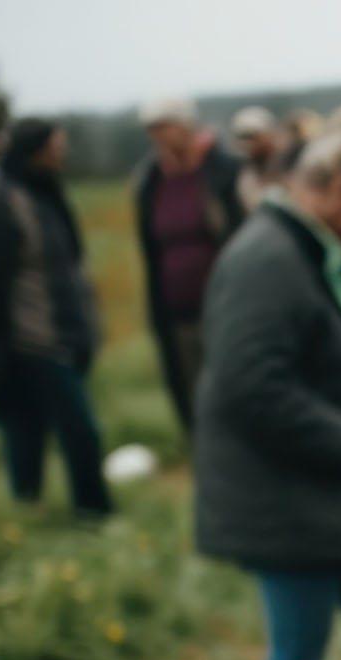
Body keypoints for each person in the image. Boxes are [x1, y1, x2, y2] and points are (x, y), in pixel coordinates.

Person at [194, 120, 341, 660]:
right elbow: (252, 384)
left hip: (320, 496)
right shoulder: (266, 259)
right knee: (295, 659)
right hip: (283, 503)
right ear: (333, 187)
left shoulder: (307, 247)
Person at [0, 118, 112, 518]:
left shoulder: (42, 191)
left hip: (60, 335)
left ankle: (31, 512)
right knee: (76, 434)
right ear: (32, 151)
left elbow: (67, 265)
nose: (61, 157)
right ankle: (92, 516)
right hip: (27, 341)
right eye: (55, 150)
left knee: (29, 432)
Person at [133, 97, 246, 434]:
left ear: (186, 126)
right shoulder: (151, 181)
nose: (159, 138)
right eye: (152, 131)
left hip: (225, 304)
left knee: (235, 386)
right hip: (178, 310)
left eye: (165, 127)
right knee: (193, 392)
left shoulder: (223, 171)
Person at [231, 105, 285, 211]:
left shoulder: (289, 165)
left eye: (252, 136)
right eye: (242, 137)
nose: (246, 144)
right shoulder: (243, 172)